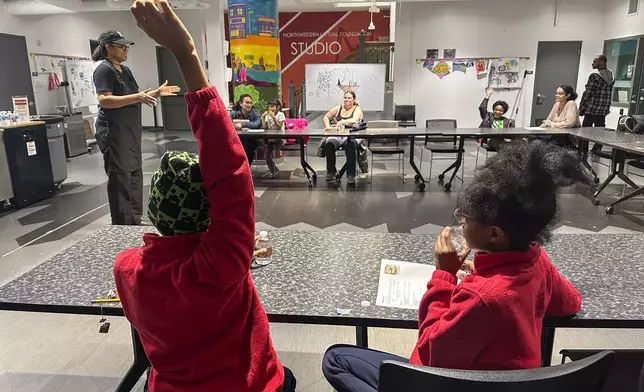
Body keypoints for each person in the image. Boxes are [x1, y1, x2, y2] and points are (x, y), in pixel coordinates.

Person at [115, 2, 296, 391]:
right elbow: (231, 176)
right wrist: (186, 52)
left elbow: (230, 188)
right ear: (209, 215)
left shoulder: (126, 270)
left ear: (154, 208)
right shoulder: (217, 267)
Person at [322, 140, 587, 392]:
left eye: (465, 218)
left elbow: (430, 348)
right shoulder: (537, 261)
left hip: (451, 384)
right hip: (507, 382)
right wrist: (488, 274)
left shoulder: (479, 296)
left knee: (335, 359)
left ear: (494, 234)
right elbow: (570, 303)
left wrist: (443, 276)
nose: (461, 222)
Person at [92, 30, 180, 225]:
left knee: (134, 173)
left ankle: (135, 219)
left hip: (130, 131)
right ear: (108, 47)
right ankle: (123, 224)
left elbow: (134, 95)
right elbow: (104, 100)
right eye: (121, 46)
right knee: (120, 178)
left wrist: (155, 93)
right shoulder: (104, 70)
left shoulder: (125, 70)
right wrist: (138, 97)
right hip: (114, 132)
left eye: (126, 46)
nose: (125, 49)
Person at [322, 90, 364, 185]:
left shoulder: (357, 109)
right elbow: (326, 117)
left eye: (349, 98)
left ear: (354, 99)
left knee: (350, 145)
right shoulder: (338, 108)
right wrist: (328, 127)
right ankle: (331, 172)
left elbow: (355, 119)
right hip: (338, 134)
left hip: (352, 134)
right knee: (329, 144)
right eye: (345, 97)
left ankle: (350, 174)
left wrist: (342, 122)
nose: (347, 99)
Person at [580, 55, 615, 152]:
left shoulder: (595, 76)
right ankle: (598, 146)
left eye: (595, 61)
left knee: (586, 130)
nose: (592, 63)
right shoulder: (611, 75)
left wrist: (582, 106)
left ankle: (583, 150)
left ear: (601, 62)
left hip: (592, 107)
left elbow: (588, 92)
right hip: (603, 108)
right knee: (600, 127)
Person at [230, 94, 261, 166]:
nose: (249, 105)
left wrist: (243, 124)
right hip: (237, 140)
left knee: (248, 144)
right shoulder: (233, 113)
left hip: (251, 141)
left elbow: (257, 124)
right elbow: (228, 124)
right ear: (240, 103)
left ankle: (246, 168)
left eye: (250, 103)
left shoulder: (255, 113)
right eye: (247, 102)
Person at [261, 98, 286, 178]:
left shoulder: (281, 114)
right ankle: (273, 170)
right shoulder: (268, 115)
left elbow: (279, 127)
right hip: (270, 139)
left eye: (272, 106)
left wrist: (274, 118)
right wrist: (263, 117)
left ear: (278, 107)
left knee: (273, 146)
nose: (270, 108)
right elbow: (265, 127)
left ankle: (273, 170)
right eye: (269, 107)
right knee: (267, 156)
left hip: (279, 138)